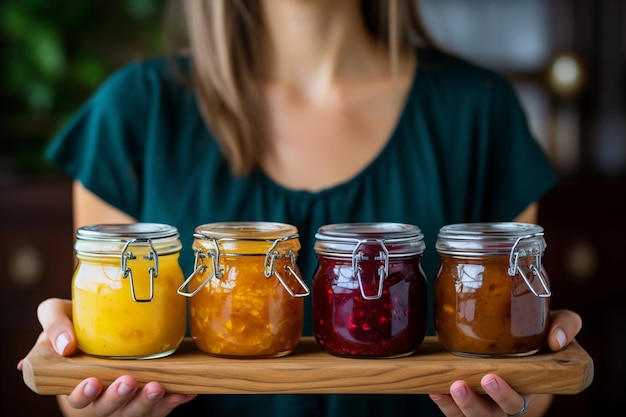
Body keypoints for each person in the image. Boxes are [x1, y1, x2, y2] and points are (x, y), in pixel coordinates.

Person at [18, 0, 583, 416]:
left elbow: (516, 366)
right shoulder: (133, 113)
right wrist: (87, 387)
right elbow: (89, 386)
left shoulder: (481, 113)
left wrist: (524, 395)